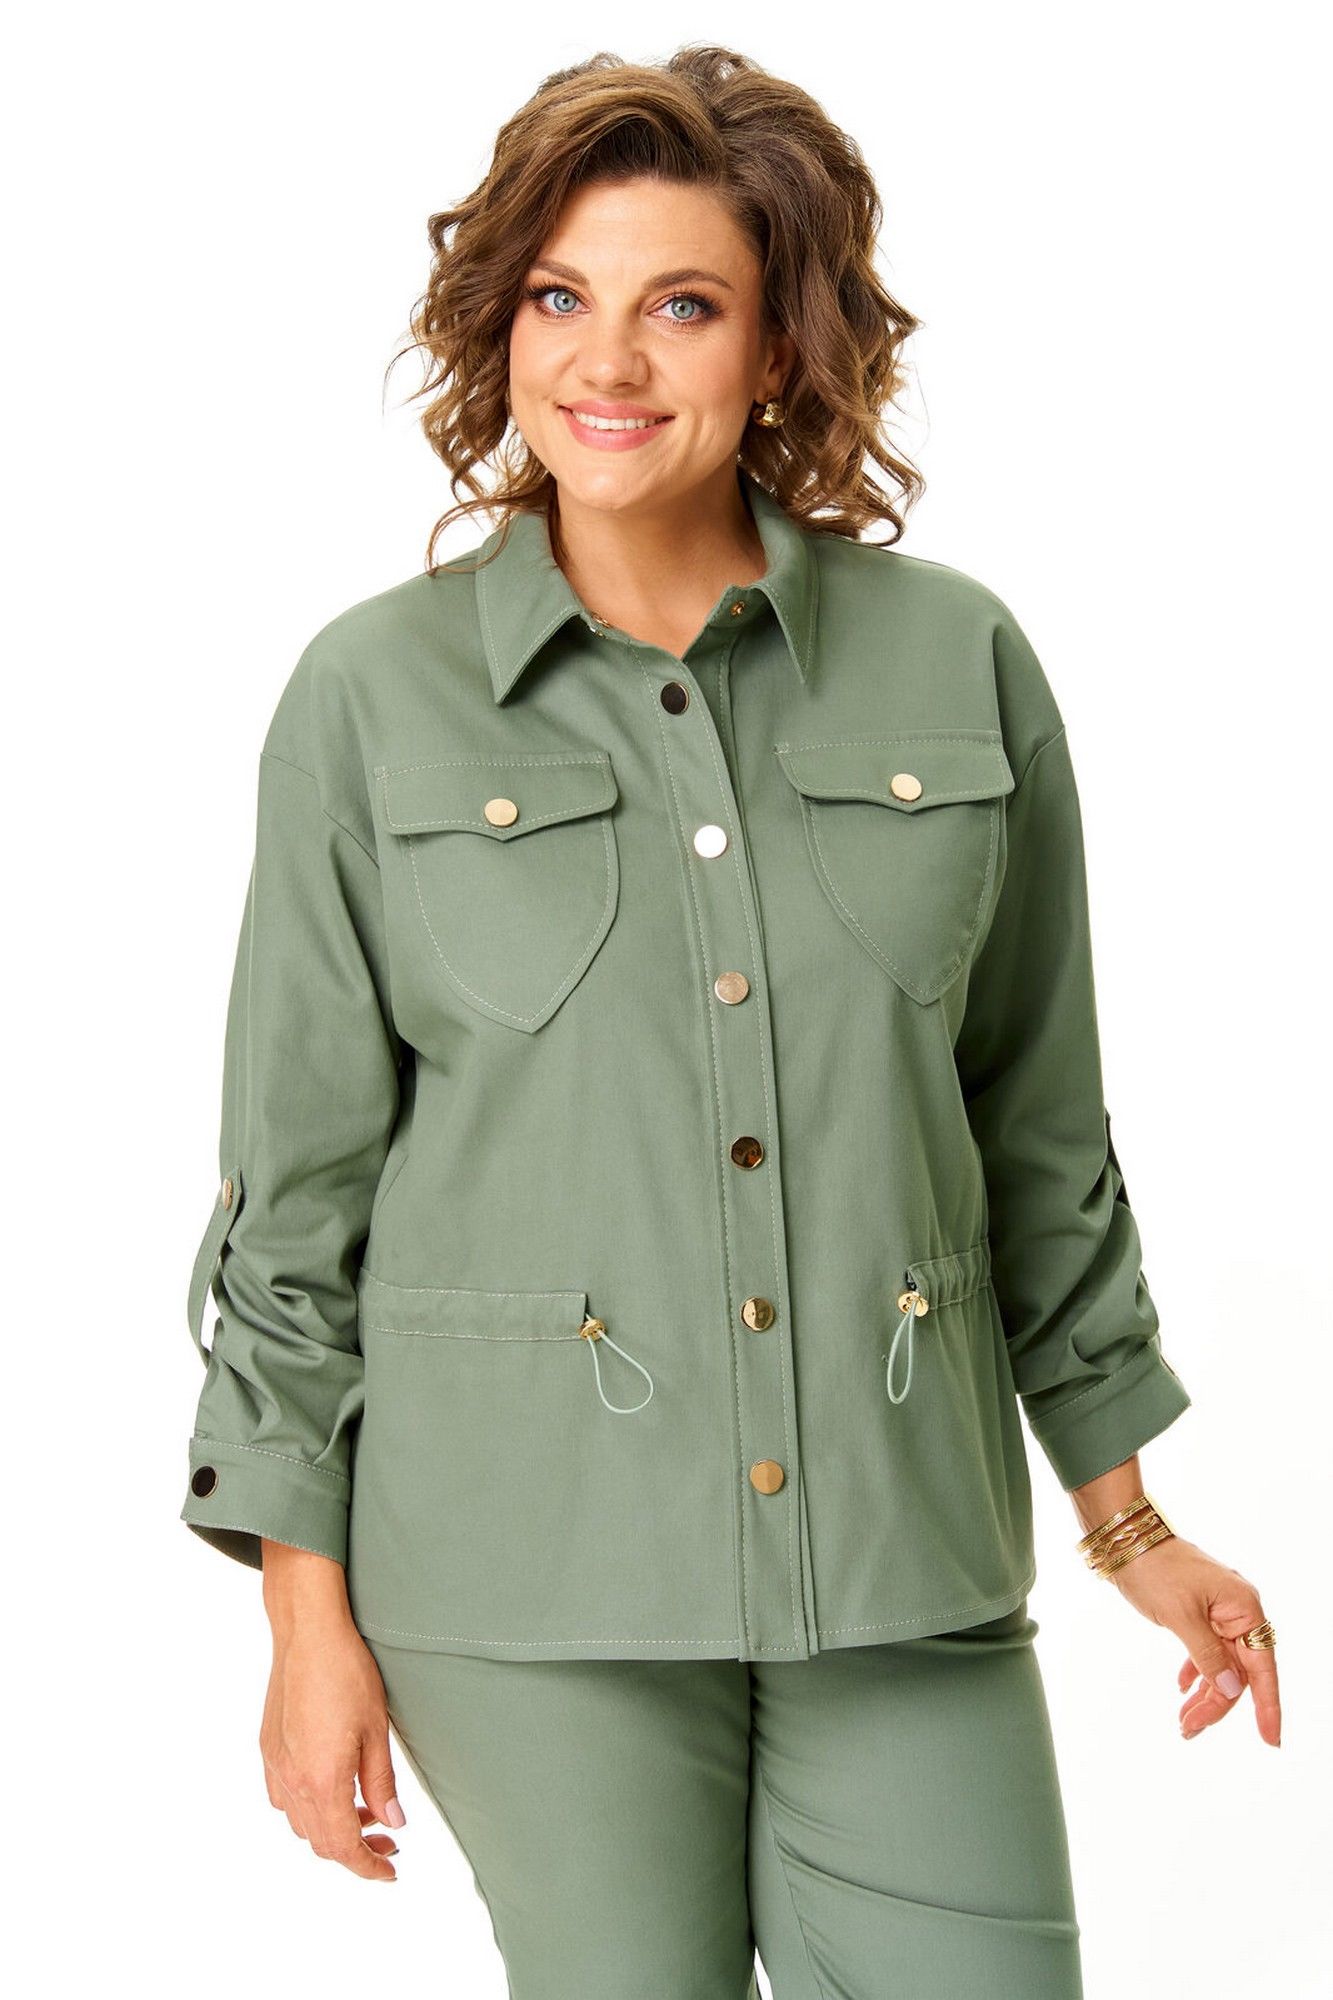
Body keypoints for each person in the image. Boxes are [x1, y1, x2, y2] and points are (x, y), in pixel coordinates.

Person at [178, 43, 1280, 1999]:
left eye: (680, 304)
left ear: (780, 346)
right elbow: (296, 1204)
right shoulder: (368, 700)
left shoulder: (955, 660)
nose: (605, 361)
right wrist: (301, 1620)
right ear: (501, 326)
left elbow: (1035, 1131)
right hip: (524, 1581)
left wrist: (1129, 1526)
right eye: (557, 298)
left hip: (902, 1555)